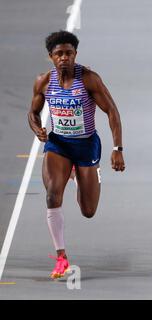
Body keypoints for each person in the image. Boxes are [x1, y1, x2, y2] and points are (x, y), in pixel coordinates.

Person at [28, 30, 125, 278]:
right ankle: (61, 257)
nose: (64, 58)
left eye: (68, 53)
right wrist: (37, 127)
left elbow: (112, 111)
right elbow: (33, 111)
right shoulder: (43, 81)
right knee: (52, 195)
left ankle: (83, 172)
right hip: (58, 144)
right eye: (59, 54)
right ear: (51, 57)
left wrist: (117, 149)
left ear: (75, 54)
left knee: (88, 210)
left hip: (86, 145)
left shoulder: (89, 79)